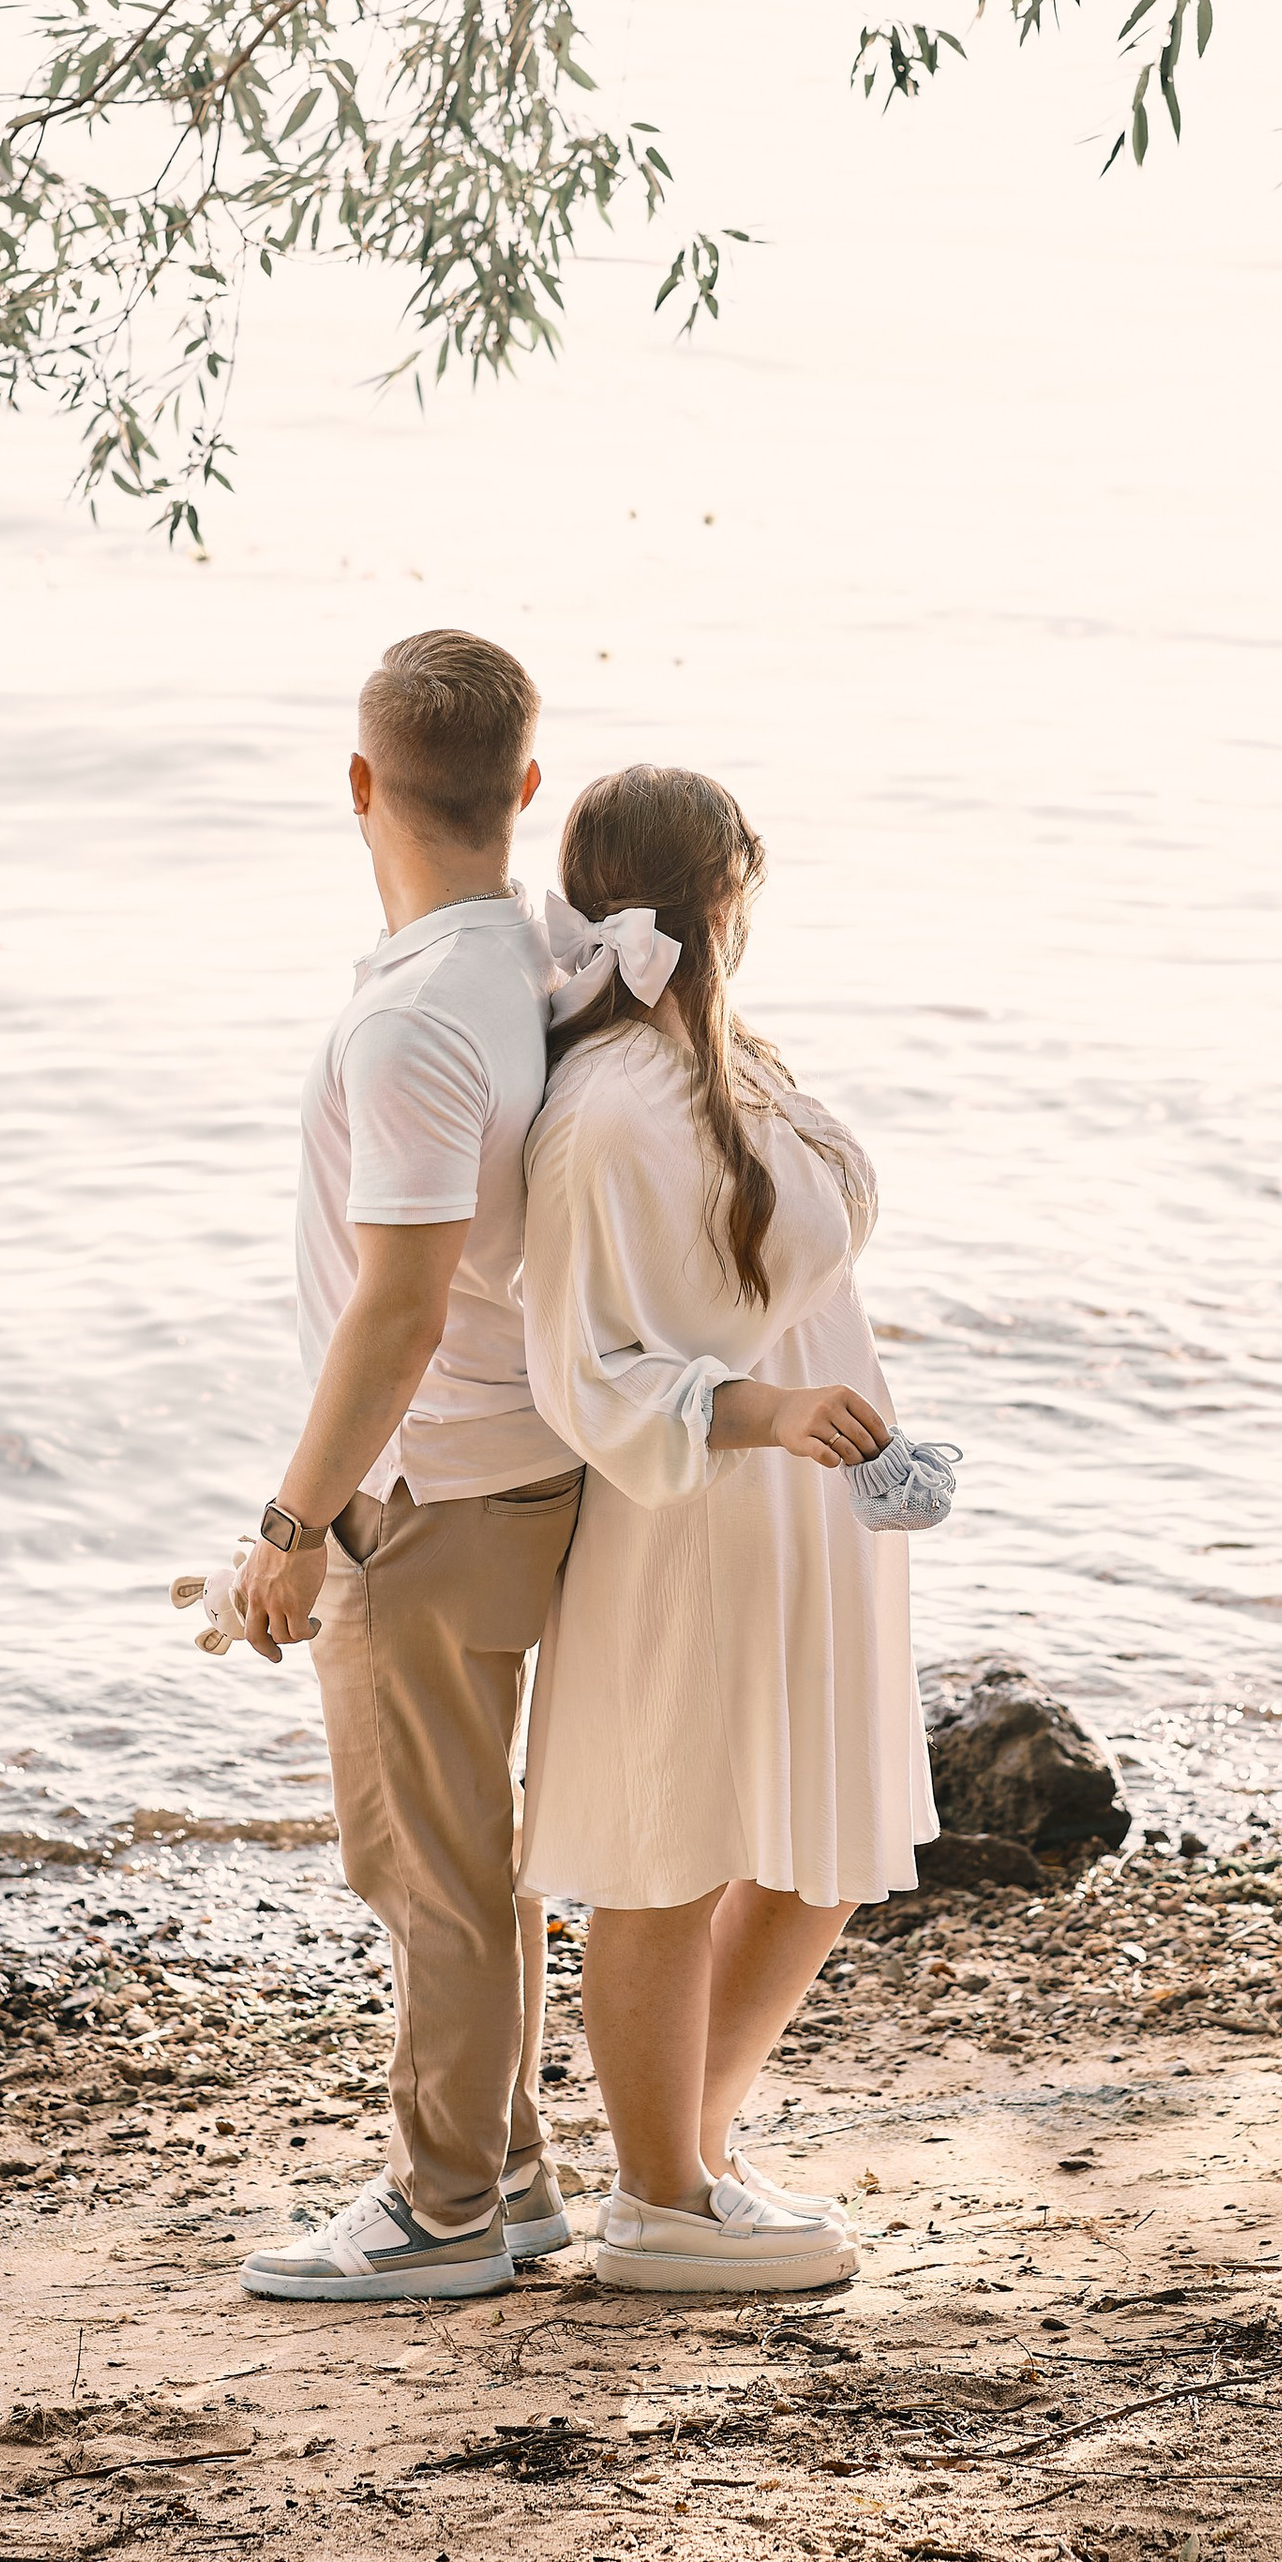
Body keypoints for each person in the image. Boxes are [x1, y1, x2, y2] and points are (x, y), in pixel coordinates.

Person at [519, 766, 937, 2293]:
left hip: (814, 1507)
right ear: (726, 897)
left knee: (819, 1840)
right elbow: (582, 1366)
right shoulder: (602, 1110)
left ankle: (689, 2150)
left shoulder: (725, 1056)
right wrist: (759, 1415)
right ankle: (655, 2200)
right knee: (671, 1841)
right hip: (692, 1513)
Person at [229, 631, 585, 2302]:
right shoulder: (526, 966)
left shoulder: (421, 1017)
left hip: (432, 1493)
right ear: (525, 788)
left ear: (361, 786)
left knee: (424, 1865)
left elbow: (402, 1299)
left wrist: (297, 1523)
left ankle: (438, 2204)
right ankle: (507, 2178)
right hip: (516, 1466)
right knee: (474, 1854)